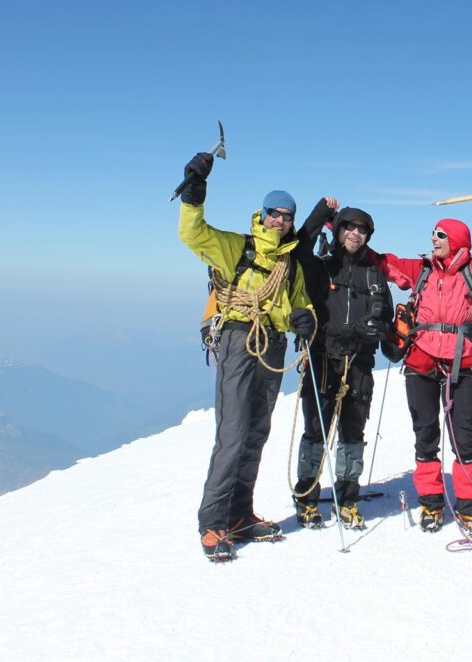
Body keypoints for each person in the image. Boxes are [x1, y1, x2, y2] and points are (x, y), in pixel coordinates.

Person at [376, 170, 472, 540]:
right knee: (425, 436)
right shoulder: (421, 271)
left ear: (457, 240)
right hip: (420, 364)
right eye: (433, 234)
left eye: (441, 235)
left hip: (459, 366)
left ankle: (467, 506)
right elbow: (380, 262)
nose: (434, 239)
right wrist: (344, 235)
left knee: (464, 438)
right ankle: (431, 502)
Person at [177, 152, 317, 562]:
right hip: (240, 340)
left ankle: (238, 515)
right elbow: (194, 234)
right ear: (262, 213)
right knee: (234, 433)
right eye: (274, 213)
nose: (280, 221)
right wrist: (194, 194)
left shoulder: (289, 264)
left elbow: (300, 303)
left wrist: (303, 320)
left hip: (271, 346)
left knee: (255, 433)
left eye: (287, 216)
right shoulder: (237, 247)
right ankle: (212, 522)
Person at [290, 200, 394, 530]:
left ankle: (347, 499)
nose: (356, 233)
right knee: (316, 433)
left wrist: (381, 331)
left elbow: (388, 322)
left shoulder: (376, 276)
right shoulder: (320, 267)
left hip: (360, 364)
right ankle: (306, 499)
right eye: (349, 227)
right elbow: (297, 246)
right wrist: (322, 212)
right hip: (323, 360)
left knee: (353, 435)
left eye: (362, 230)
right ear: (337, 231)